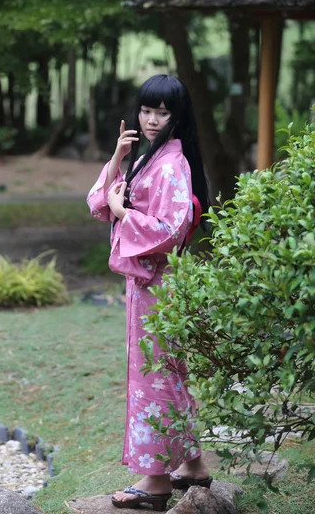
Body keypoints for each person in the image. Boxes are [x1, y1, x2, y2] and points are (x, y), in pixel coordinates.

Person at [86, 74, 212, 511]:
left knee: (154, 375)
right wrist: (118, 157)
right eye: (146, 110)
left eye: (162, 111)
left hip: (158, 284)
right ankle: (192, 465)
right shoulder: (146, 158)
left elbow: (168, 229)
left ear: (177, 116)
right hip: (149, 286)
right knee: (168, 371)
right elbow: (97, 202)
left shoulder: (172, 164)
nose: (152, 119)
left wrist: (124, 213)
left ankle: (156, 479)